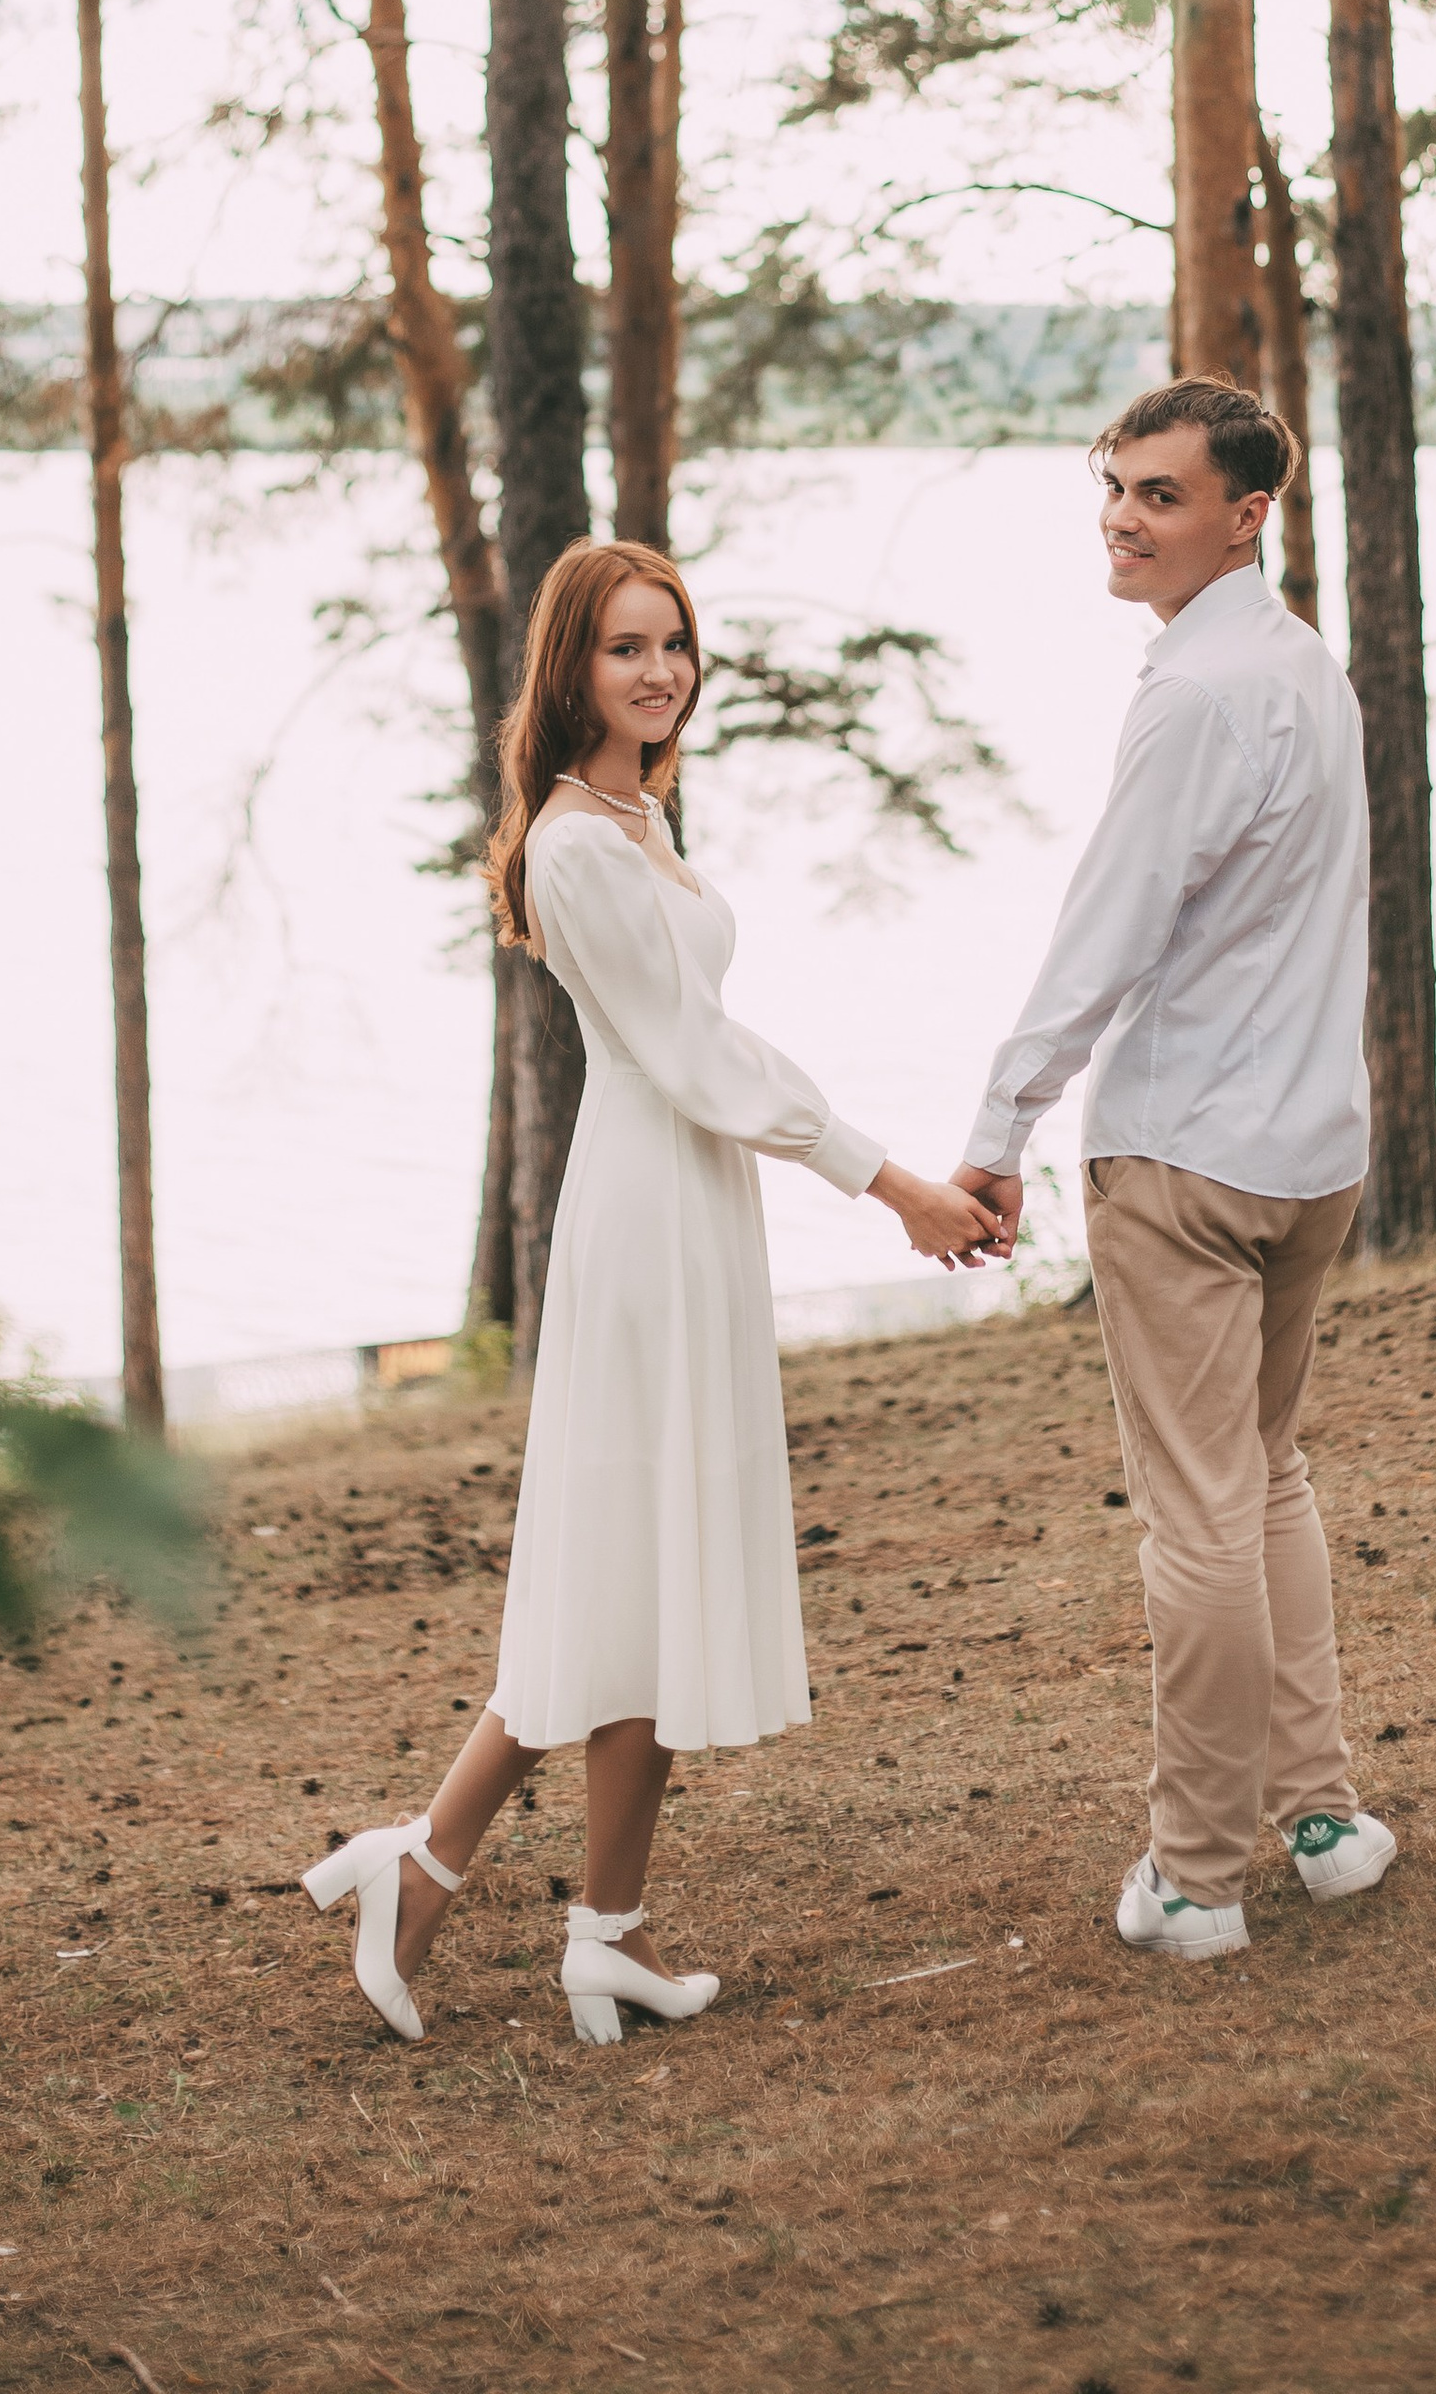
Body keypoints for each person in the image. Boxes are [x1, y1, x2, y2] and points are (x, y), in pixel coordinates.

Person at [304, 537, 1000, 2049]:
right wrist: (897, 1186)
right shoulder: (574, 845)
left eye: (675, 643)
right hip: (645, 1216)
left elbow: (708, 1055)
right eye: (628, 646)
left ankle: (569, 1923)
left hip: (694, 1203)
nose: (661, 670)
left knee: (645, 1582)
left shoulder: (635, 815)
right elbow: (705, 1058)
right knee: (617, 1574)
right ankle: (424, 1870)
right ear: (574, 666)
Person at [952, 379, 1397, 1958]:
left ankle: (1199, 1874)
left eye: (1157, 493)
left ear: (1247, 512)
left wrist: (998, 1129)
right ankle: (1325, 1816)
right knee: (1264, 1475)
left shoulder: (1198, 695)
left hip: (1189, 1161)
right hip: (1309, 1153)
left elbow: (1106, 931)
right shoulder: (1305, 672)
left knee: (1199, 1514)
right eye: (1116, 488)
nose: (1123, 518)